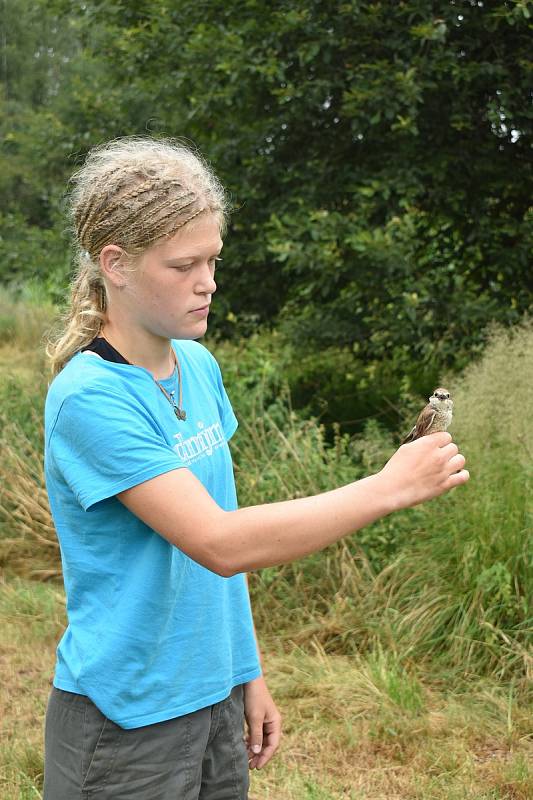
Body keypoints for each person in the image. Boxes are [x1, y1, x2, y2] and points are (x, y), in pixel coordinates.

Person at [43, 136, 469, 800]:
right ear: (115, 264)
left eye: (212, 260)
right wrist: (386, 488)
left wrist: (246, 672)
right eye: (183, 265)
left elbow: (226, 536)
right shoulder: (90, 398)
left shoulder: (198, 368)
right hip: (125, 721)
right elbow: (218, 542)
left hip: (212, 698)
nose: (208, 282)